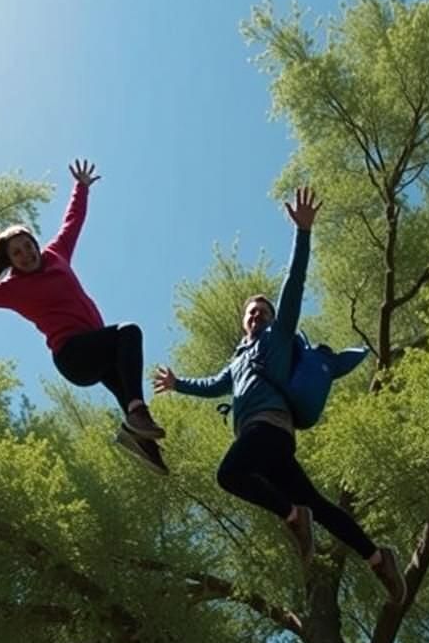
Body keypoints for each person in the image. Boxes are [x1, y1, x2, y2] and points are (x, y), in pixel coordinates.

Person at [154, 188, 405, 601]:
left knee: (230, 475)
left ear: (271, 320)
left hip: (269, 428)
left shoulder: (277, 340)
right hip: (269, 443)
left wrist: (302, 234)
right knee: (320, 506)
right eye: (251, 313)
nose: (257, 316)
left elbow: (293, 286)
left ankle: (293, 516)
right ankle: (379, 558)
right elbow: (215, 385)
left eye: (263, 312)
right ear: (243, 322)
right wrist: (178, 383)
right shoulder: (238, 360)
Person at [0, 159, 167, 475]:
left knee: (123, 384)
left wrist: (80, 188)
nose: (26, 254)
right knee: (128, 333)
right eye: (18, 253)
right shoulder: (12, 289)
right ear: (10, 260)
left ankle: (145, 447)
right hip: (72, 355)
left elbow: (72, 222)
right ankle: (137, 414)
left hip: (94, 350)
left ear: (36, 245)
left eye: (28, 246)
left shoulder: (56, 255)